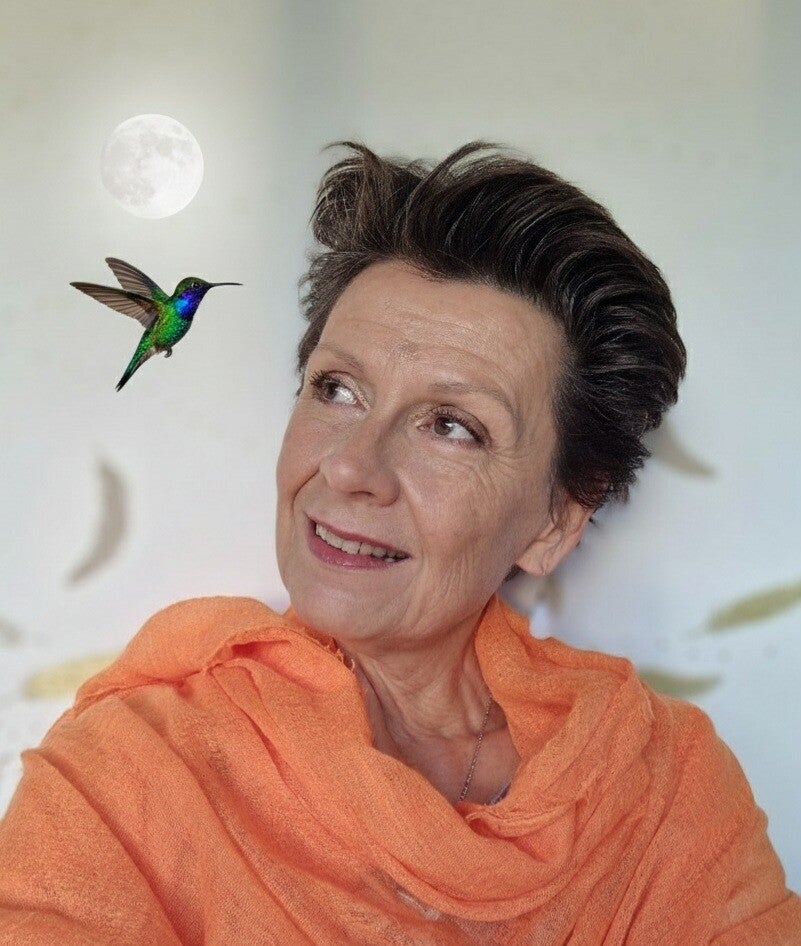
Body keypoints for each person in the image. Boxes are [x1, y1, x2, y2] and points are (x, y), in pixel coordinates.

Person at [1, 141, 799, 945]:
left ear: (555, 521)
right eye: (337, 389)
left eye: (451, 426)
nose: (348, 467)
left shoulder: (660, 784)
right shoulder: (126, 775)